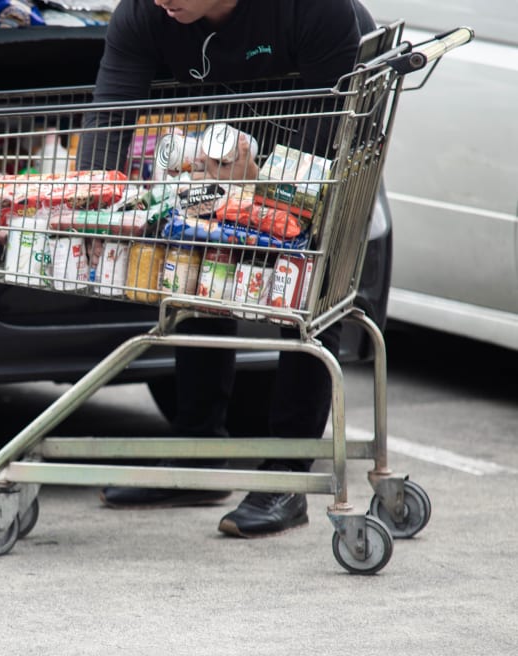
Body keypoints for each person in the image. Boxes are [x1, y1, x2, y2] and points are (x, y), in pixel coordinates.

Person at [76, 0, 378, 538]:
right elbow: (109, 116)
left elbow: (325, 153)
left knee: (304, 273)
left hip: (329, 124)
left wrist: (258, 182)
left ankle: (288, 473)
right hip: (237, 125)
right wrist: (87, 203)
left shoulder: (313, 10)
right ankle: (198, 450)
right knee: (200, 251)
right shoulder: (145, 13)